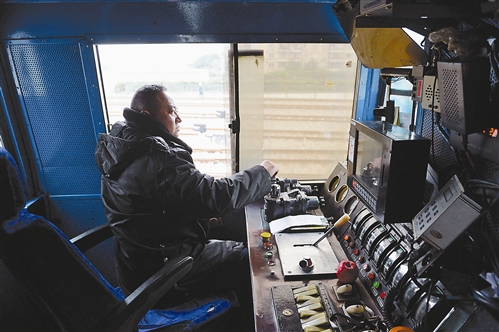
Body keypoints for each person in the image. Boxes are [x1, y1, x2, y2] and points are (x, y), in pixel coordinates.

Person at [94, 84, 278, 321]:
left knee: (233, 236)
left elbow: (160, 204)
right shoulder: (156, 157)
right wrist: (262, 173)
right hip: (165, 273)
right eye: (171, 111)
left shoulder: (122, 146)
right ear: (146, 117)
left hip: (138, 267)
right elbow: (213, 196)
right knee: (255, 261)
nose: (179, 117)